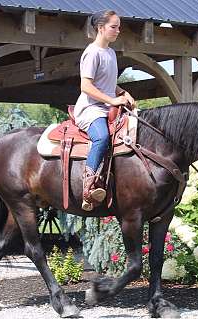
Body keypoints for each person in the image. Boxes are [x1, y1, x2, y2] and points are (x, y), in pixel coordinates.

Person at [73, 9, 135, 211]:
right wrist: (113, 100)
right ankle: (88, 185)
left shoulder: (110, 53)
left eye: (119, 27)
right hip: (91, 109)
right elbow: (86, 87)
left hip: (108, 106)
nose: (118, 31)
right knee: (101, 138)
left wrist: (124, 93)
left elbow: (108, 84)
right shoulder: (91, 53)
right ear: (100, 28)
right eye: (114, 27)